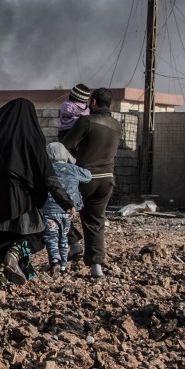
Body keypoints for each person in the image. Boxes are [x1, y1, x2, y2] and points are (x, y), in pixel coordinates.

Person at [0, 97, 75, 300]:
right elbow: (48, 176)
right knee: (36, 235)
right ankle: (15, 254)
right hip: (25, 204)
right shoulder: (33, 139)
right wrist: (66, 202)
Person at [61, 87, 121, 278]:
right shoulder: (116, 125)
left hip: (84, 178)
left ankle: (74, 243)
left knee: (58, 211)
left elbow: (66, 147)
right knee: (95, 222)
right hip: (106, 180)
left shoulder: (86, 122)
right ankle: (96, 267)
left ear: (93, 102)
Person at [40, 142, 90, 272]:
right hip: (68, 210)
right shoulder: (72, 168)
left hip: (49, 210)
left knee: (51, 237)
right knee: (63, 237)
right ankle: (63, 265)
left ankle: (54, 261)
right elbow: (88, 176)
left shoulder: (46, 169)